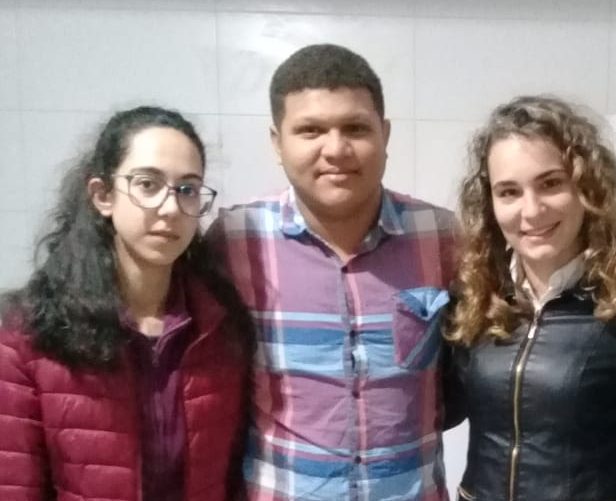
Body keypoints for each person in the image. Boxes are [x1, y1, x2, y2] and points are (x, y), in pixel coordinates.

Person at [208, 44, 458, 500]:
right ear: (277, 142)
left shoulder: (441, 237)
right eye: (310, 130)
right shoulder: (235, 240)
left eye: (356, 128)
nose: (336, 149)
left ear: (384, 134)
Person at [0, 106, 255, 501]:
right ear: (103, 195)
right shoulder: (30, 334)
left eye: (187, 189)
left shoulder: (218, 328)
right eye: (148, 184)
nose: (170, 208)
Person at [440, 95, 616, 501]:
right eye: (509, 192)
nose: (531, 210)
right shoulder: (476, 297)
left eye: (551, 183)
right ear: (490, 203)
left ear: (587, 187)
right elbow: (442, 411)